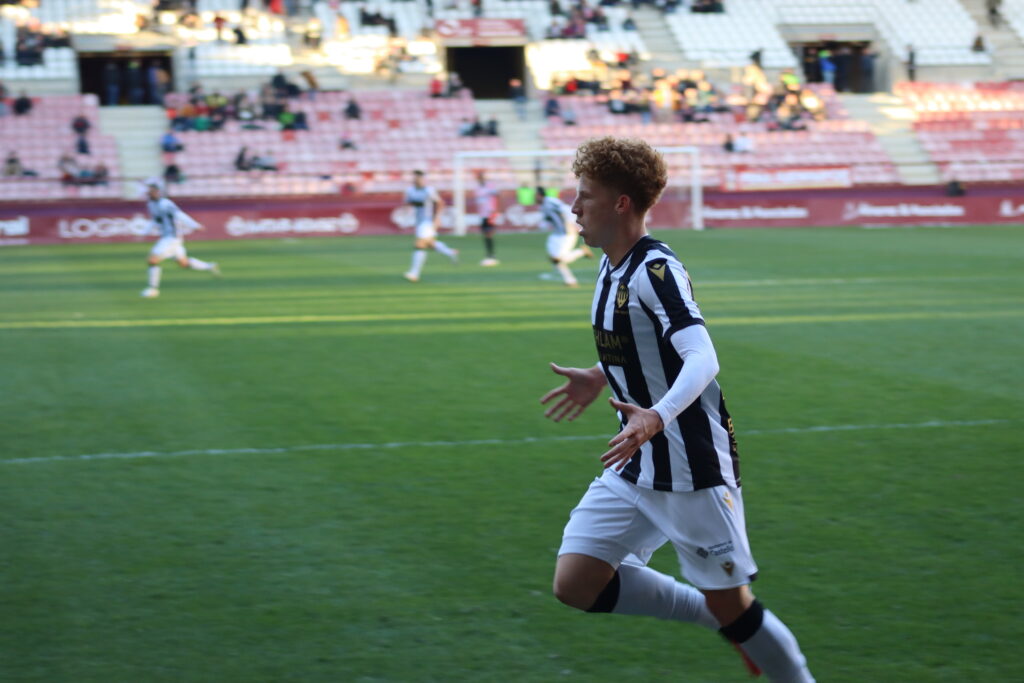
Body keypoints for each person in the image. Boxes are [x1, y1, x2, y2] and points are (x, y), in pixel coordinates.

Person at [540, 137, 814, 682]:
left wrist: (656, 415)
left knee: (734, 604)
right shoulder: (610, 267)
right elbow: (644, 345)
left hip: (690, 467)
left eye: (585, 195)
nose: (574, 207)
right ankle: (719, 621)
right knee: (577, 582)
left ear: (621, 203)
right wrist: (600, 374)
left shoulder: (656, 270)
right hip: (636, 460)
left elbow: (702, 355)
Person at [140, 181, 220, 298]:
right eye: (149, 191)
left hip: (172, 238)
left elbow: (180, 215)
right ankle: (210, 266)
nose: (150, 193)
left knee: (152, 260)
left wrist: (194, 225)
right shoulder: (151, 204)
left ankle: (153, 289)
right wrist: (144, 231)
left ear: (158, 192)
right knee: (183, 263)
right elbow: (155, 219)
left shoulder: (166, 203)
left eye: (152, 191)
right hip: (167, 238)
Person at [402, 170, 458, 282]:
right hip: (418, 221)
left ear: (423, 179)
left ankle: (414, 273)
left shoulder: (429, 190)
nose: (417, 180)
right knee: (430, 244)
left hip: (428, 221)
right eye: (415, 177)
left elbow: (440, 203)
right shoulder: (410, 190)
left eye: (419, 177)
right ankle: (450, 252)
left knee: (420, 244)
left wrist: (437, 218)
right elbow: (408, 202)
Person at [538, 187, 591, 287]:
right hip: (556, 234)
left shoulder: (550, 202)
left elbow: (565, 209)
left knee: (558, 259)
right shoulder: (542, 206)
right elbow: (548, 219)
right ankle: (570, 280)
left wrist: (572, 224)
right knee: (554, 259)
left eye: (535, 195)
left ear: (540, 195)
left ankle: (581, 252)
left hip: (566, 233)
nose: (534, 198)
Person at [473, 170, 500, 266]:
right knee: (485, 234)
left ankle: (492, 255)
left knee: (489, 234)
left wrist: (495, 210)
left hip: (490, 213)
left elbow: (497, 196)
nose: (480, 178)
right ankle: (489, 255)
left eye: (481, 176)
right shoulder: (477, 188)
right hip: (482, 214)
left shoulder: (490, 186)